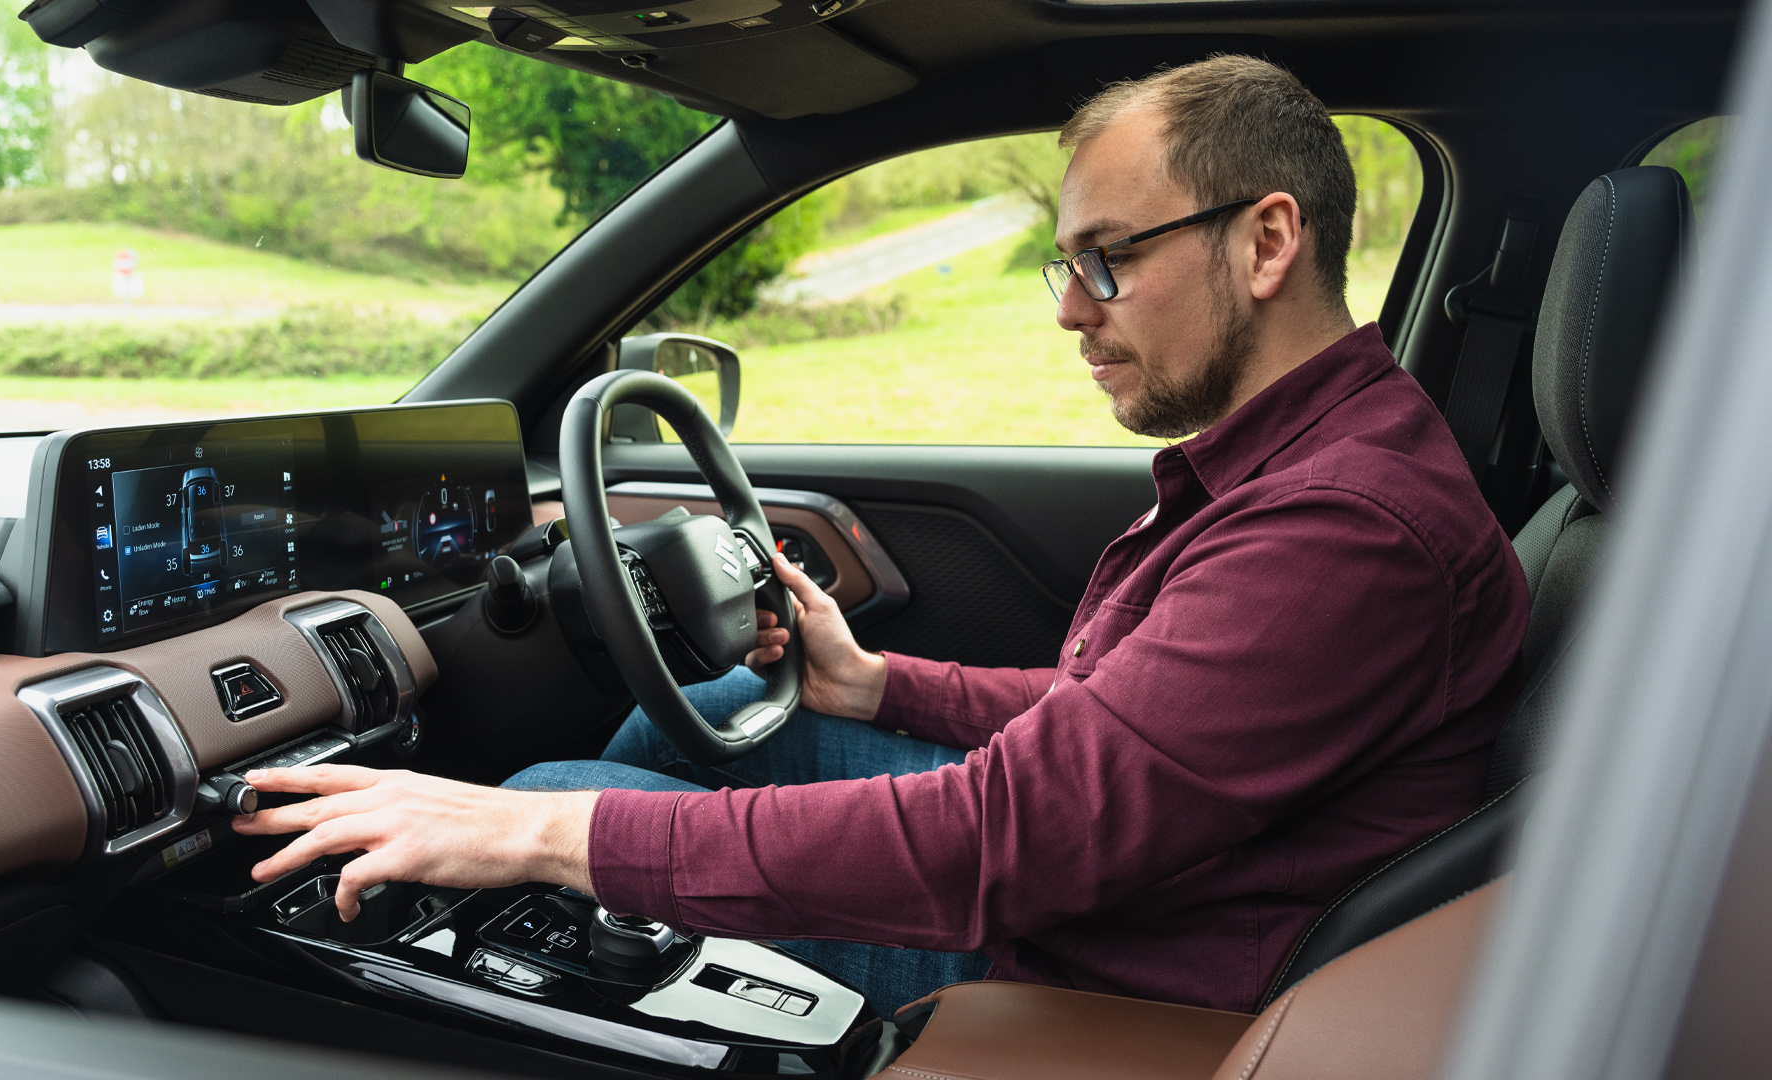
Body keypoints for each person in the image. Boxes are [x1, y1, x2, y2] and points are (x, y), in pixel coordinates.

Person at [232, 55, 1529, 1020]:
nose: (1071, 311)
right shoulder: (1308, 458)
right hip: (1129, 892)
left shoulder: (1342, 528)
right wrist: (880, 685)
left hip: (1097, 972)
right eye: (1066, 265)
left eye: (1109, 259)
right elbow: (1121, 724)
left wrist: (528, 838)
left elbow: (1008, 841)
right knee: (724, 705)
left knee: (540, 804)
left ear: (1266, 241)